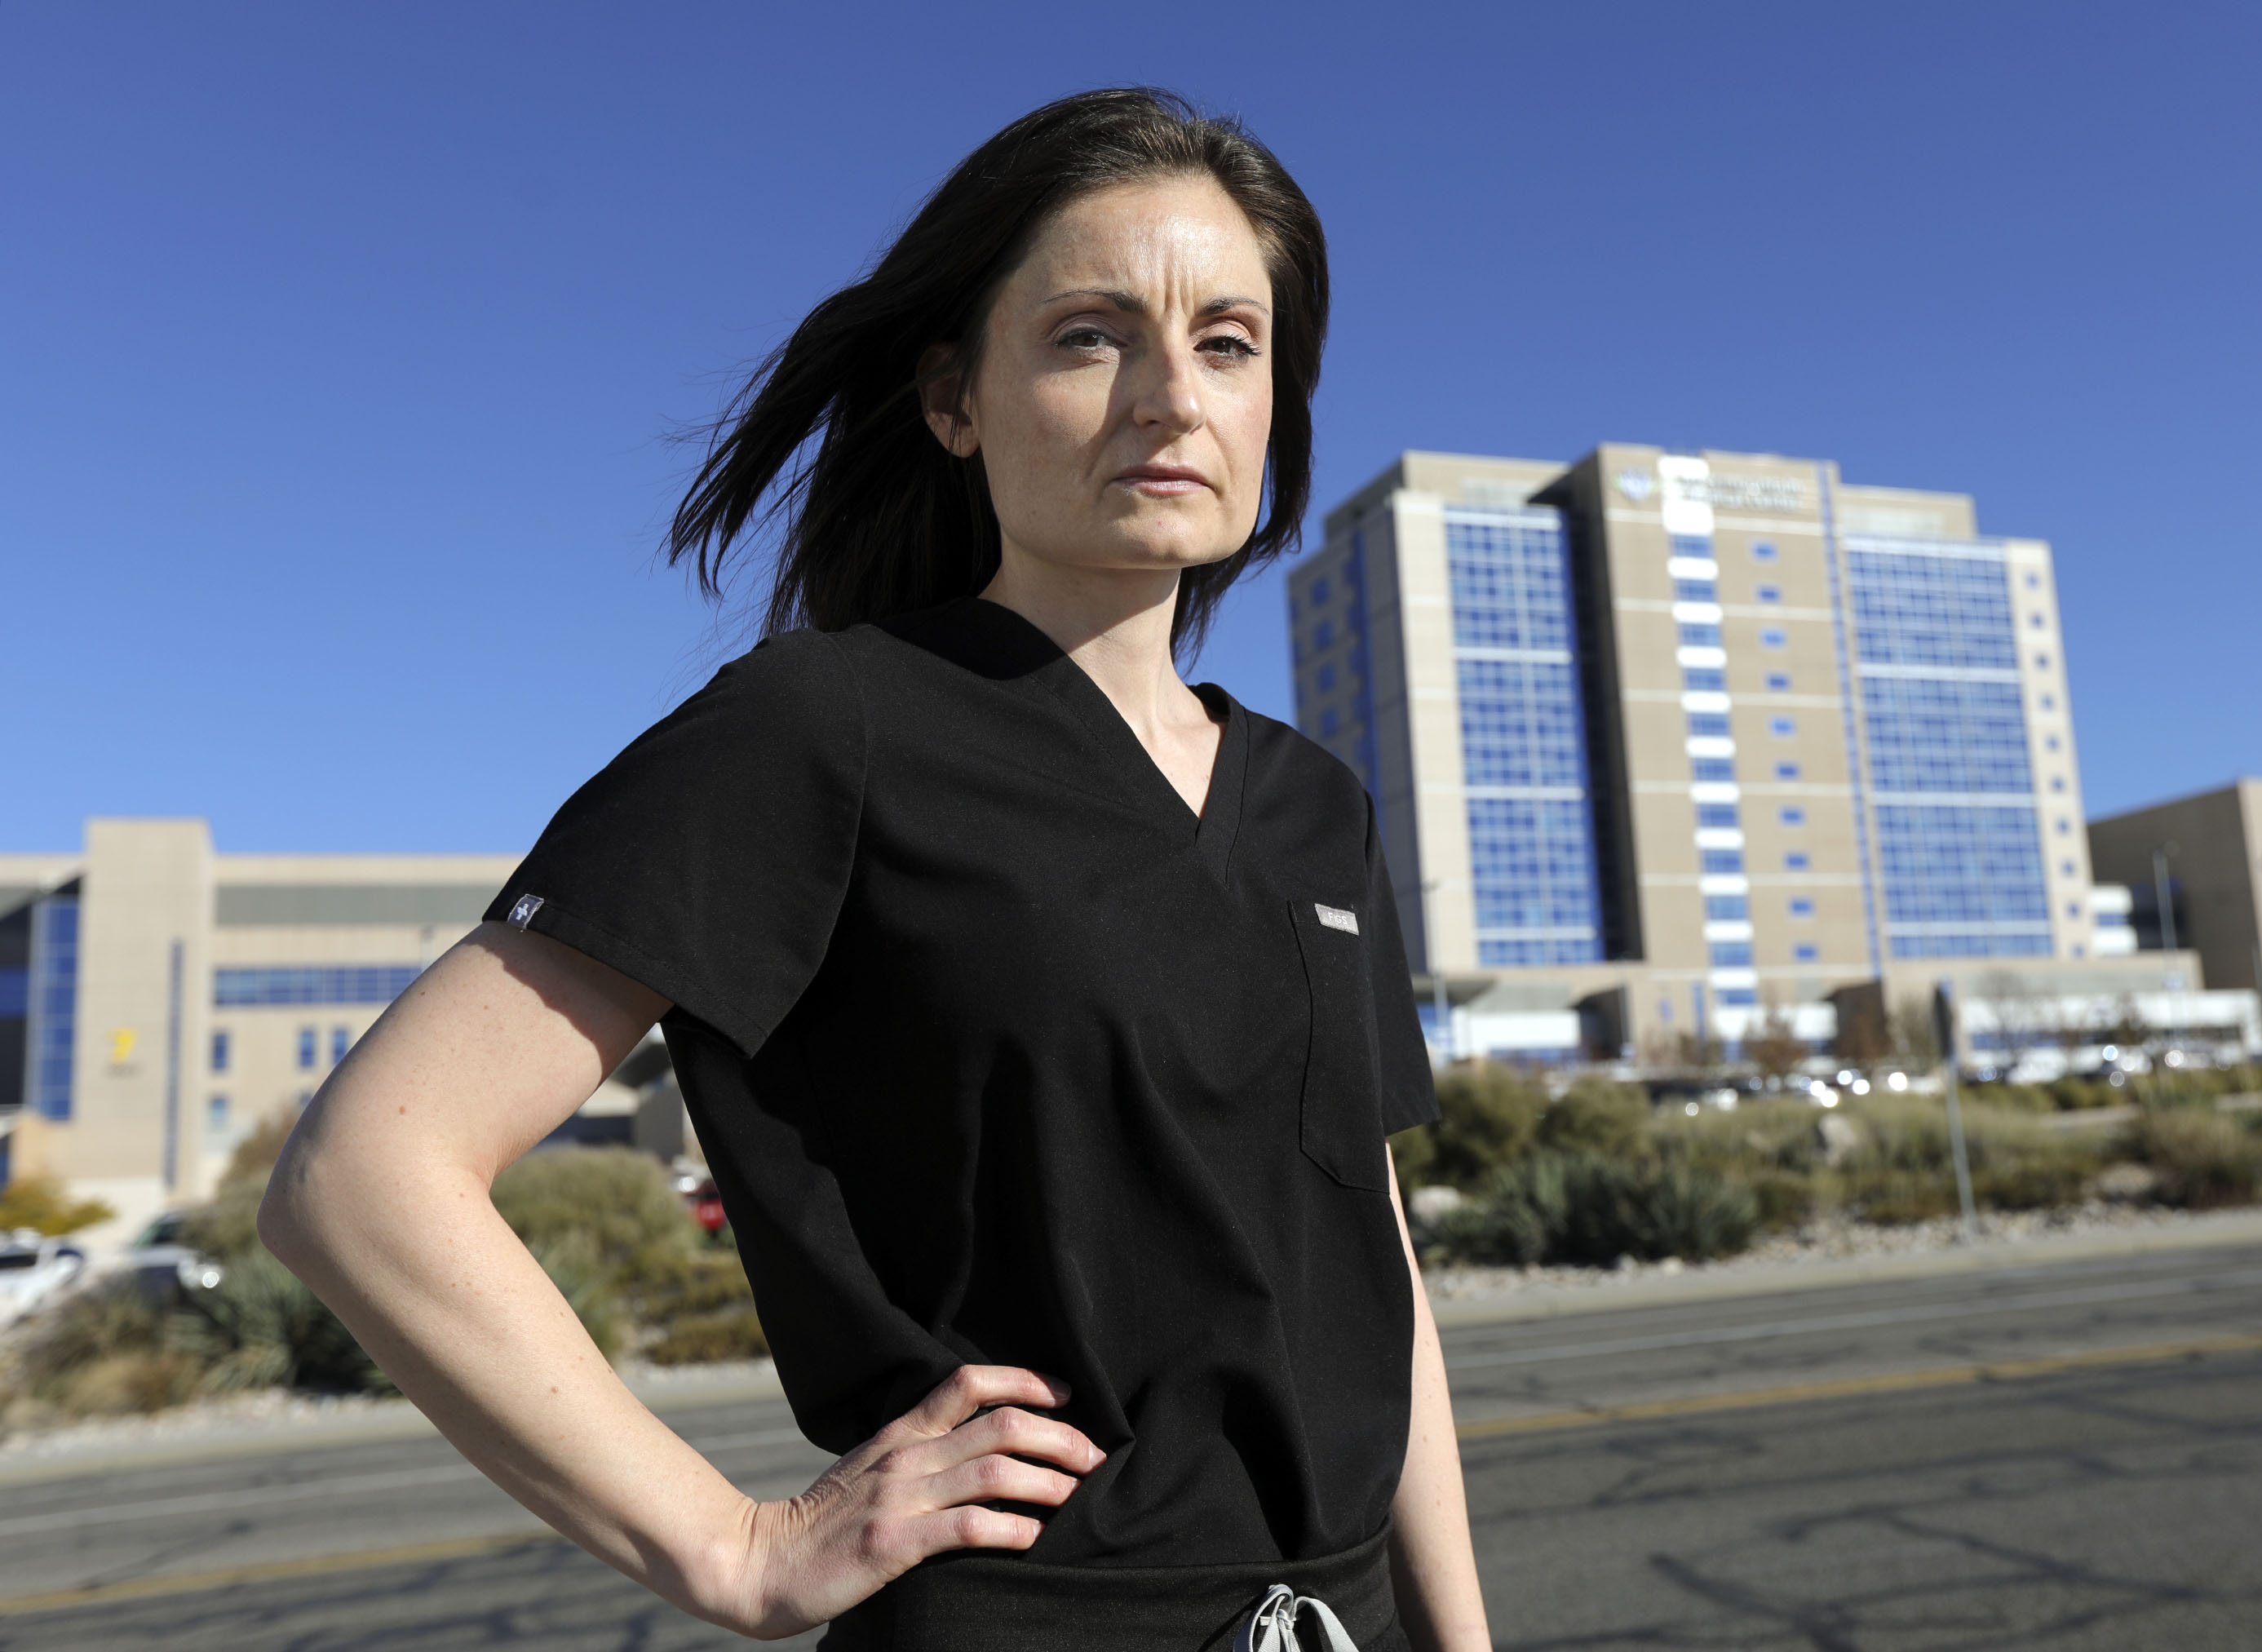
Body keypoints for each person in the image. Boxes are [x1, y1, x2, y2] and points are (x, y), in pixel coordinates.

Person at [259, 87, 1491, 1651]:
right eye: (1090, 334)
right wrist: (734, 1547)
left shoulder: (1319, 805)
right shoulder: (822, 728)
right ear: (953, 399)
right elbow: (363, 1176)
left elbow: (1367, 1249)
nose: (1175, 396)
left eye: (1230, 341)